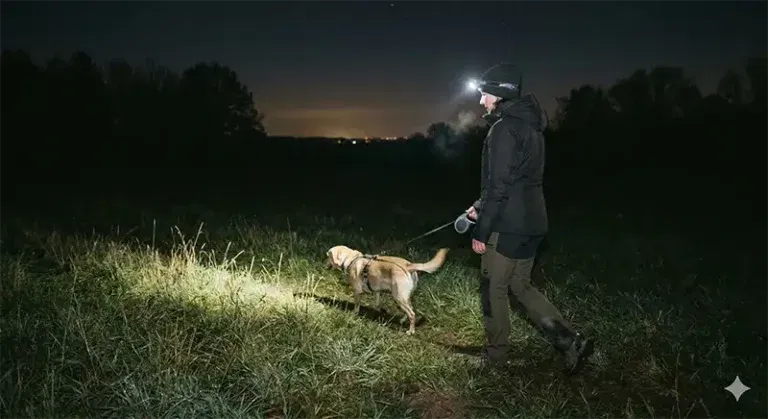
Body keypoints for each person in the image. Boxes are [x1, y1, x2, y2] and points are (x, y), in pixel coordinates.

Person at [466, 63, 592, 373]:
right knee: (520, 286)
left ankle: (495, 357)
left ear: (499, 95)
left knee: (493, 288)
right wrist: (480, 206)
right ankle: (569, 340)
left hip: (507, 226)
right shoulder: (533, 128)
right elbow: (517, 180)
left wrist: (481, 230)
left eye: (485, 94)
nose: (481, 101)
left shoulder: (502, 130)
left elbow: (498, 186)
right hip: (533, 222)